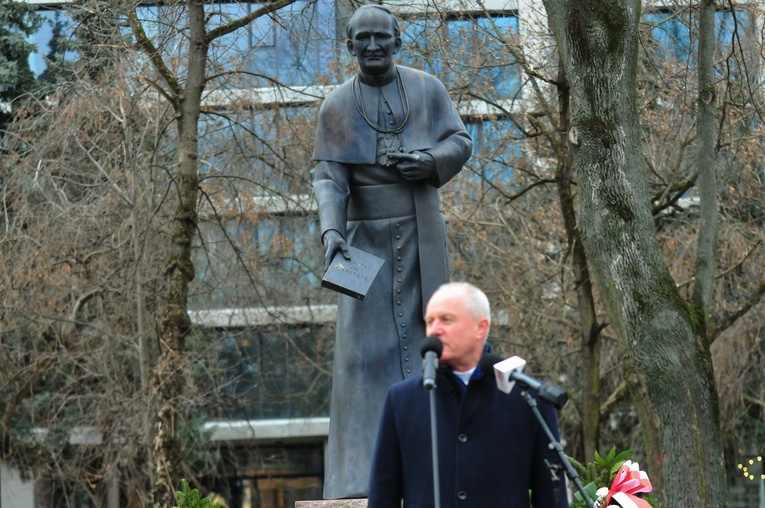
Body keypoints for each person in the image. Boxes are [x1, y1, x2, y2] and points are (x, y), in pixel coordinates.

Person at [311, 4, 472, 500]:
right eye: (364, 39)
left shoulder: (427, 89)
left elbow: (460, 141)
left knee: (432, 349)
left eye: (383, 38)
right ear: (350, 45)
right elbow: (328, 179)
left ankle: (434, 474)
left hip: (421, 231)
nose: (374, 47)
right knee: (362, 363)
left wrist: (427, 162)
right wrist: (330, 233)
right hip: (363, 244)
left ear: (398, 41)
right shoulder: (336, 105)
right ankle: (361, 477)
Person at [368, 282, 570, 508]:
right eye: (429, 321)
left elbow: (551, 498)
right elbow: (383, 496)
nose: (434, 330)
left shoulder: (528, 398)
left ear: (480, 327)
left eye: (446, 320)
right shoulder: (402, 399)